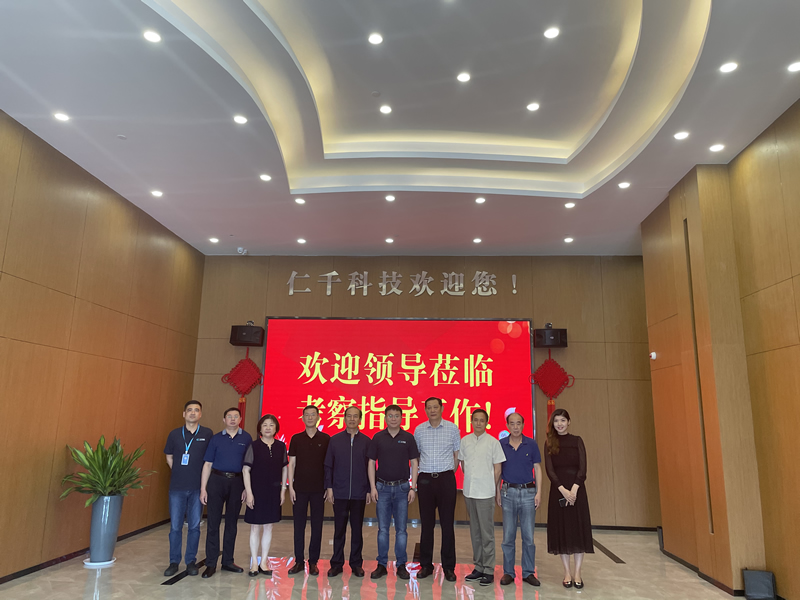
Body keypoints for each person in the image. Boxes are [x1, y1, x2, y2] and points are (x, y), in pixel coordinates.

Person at [367, 404, 420, 580]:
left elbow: (414, 462)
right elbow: (371, 462)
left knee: (401, 530)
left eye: (396, 416)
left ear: (401, 418)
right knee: (382, 529)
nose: (393, 419)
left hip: (402, 488)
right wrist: (373, 487)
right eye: (390, 416)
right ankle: (381, 564)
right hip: (382, 488)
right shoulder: (378, 437)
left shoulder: (408, 437)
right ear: (385, 418)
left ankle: (401, 565)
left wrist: (413, 487)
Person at [199, 407, 253, 578]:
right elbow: (207, 464)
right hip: (216, 481)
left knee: (232, 524)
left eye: (236, 416)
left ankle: (228, 561)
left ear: (240, 419)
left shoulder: (246, 438)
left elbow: (249, 466)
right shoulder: (216, 438)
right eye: (229, 416)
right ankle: (210, 563)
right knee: (213, 523)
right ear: (224, 420)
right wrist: (203, 488)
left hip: (237, 482)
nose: (232, 419)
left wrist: (246, 488)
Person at [162, 401, 214, 577]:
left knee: (194, 527)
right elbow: (169, 456)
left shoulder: (207, 433)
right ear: (184, 414)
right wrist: (178, 470)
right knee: (175, 527)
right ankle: (173, 562)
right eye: (189, 410)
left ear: (200, 414)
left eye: (196, 410)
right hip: (177, 487)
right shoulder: (174, 434)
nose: (193, 413)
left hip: (197, 488)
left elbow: (209, 460)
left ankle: (191, 561)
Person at [413, 397, 461, 582]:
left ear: (441, 408)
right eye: (429, 407)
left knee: (447, 524)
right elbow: (416, 456)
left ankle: (449, 567)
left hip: (446, 479)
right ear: (425, 410)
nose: (432, 410)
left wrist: (447, 473)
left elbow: (456, 455)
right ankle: (426, 565)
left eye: (435, 407)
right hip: (425, 480)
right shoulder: (419, 430)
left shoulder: (452, 428)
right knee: (427, 524)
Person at [545, 408, 593, 589]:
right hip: (558, 491)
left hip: (577, 491)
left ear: (569, 422)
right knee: (562, 531)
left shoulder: (577, 441)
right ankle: (566, 572)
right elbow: (550, 470)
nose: (560, 424)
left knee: (578, 530)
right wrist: (563, 490)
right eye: (556, 420)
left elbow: (583, 468)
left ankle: (578, 572)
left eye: (563, 420)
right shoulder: (549, 442)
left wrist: (573, 489)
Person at [459, 409, 505, 586]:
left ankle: (488, 569)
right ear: (471, 422)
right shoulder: (465, 441)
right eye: (475, 420)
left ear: (487, 423)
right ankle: (478, 566)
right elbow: (463, 464)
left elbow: (498, 469)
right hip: (469, 492)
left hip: (485, 493)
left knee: (487, 533)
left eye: (482, 420)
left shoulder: (493, 442)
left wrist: (490, 486)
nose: (478, 423)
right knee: (475, 532)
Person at [324, 406, 372, 577]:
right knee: (339, 530)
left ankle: (356, 564)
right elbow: (328, 465)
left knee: (357, 530)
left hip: (359, 493)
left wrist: (369, 489)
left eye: (355, 416)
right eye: (349, 416)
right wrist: (329, 488)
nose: (352, 419)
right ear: (344, 419)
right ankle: (336, 564)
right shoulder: (335, 440)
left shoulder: (366, 441)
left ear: (360, 419)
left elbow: (370, 467)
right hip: (340, 492)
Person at [496, 412, 542, 587]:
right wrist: (497, 491)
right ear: (507, 425)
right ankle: (508, 572)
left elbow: (537, 468)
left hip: (528, 492)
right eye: (512, 423)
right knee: (508, 536)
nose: (515, 427)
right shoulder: (501, 444)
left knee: (528, 536)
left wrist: (539, 492)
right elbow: (498, 469)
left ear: (523, 425)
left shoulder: (531, 444)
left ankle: (528, 572)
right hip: (508, 492)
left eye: (518, 423)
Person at [287, 405, 330, 576]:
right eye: (307, 415)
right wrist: (290, 487)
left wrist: (328, 486)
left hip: (319, 490)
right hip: (299, 489)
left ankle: (313, 562)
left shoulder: (326, 439)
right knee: (299, 526)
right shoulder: (296, 438)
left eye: (313, 414)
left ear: (318, 417)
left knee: (317, 526)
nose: (310, 417)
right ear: (303, 418)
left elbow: (329, 465)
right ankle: (299, 561)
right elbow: (291, 464)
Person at [243, 414, 288, 577]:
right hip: (256, 491)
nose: (268, 428)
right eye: (265, 425)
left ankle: (263, 562)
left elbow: (284, 468)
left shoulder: (281, 446)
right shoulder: (253, 446)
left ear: (276, 428)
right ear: (260, 429)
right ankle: (254, 563)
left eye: (271, 425)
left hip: (273, 491)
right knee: (255, 527)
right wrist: (249, 493)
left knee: (269, 526)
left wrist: (283, 490)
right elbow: (246, 470)